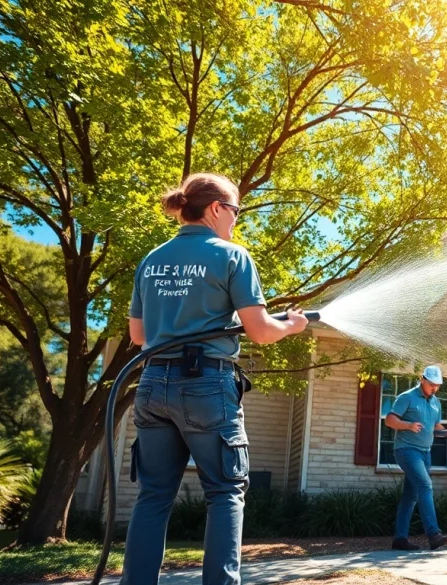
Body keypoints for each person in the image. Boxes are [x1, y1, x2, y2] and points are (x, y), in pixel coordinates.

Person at [123, 173, 309, 585]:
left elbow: (138, 337)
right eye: (236, 211)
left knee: (153, 496)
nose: (236, 221)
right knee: (225, 493)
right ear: (215, 209)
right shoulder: (232, 255)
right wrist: (290, 326)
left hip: (152, 384)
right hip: (207, 384)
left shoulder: (151, 260)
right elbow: (260, 331)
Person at [384, 365, 447, 551]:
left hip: (425, 452)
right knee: (425, 486)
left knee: (411, 495)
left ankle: (399, 539)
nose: (434, 388)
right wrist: (408, 425)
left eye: (437, 385)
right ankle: (434, 535)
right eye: (431, 384)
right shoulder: (407, 397)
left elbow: (435, 428)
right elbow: (390, 420)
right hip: (406, 450)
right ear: (422, 379)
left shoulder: (435, 403)